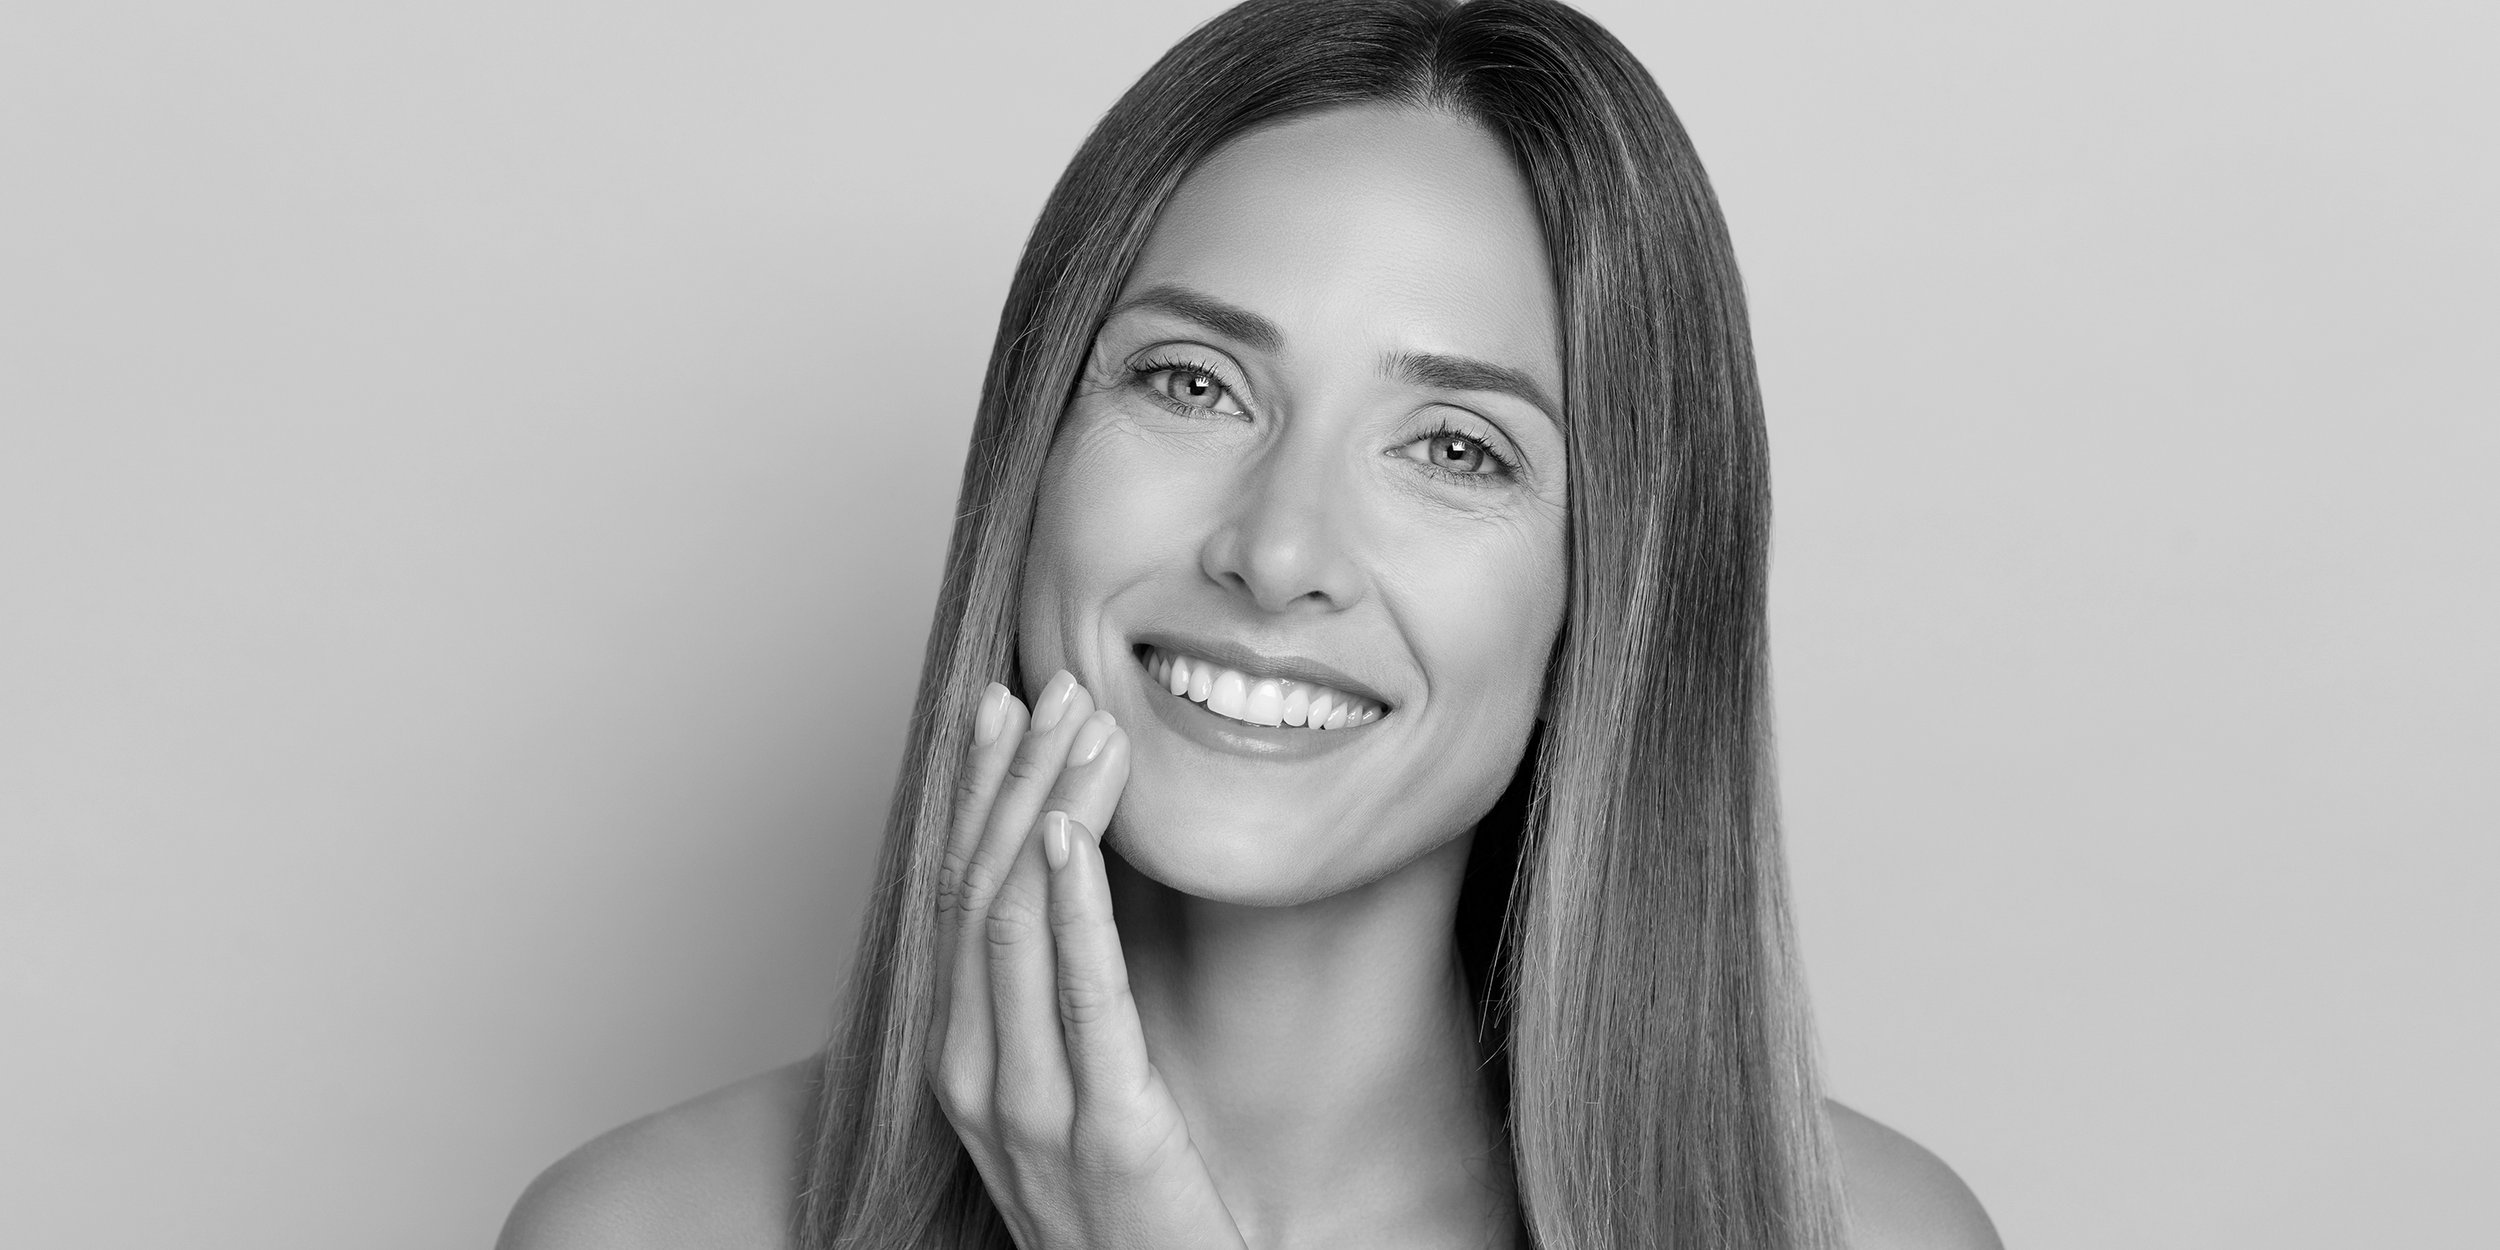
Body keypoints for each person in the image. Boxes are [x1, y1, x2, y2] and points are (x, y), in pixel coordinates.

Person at [500, 0, 2001, 1246]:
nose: (1278, 552)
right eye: (1192, 383)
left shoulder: (1862, 1230)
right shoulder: (651, 1226)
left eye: (1457, 448)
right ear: (1033, 460)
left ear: (1607, 604)